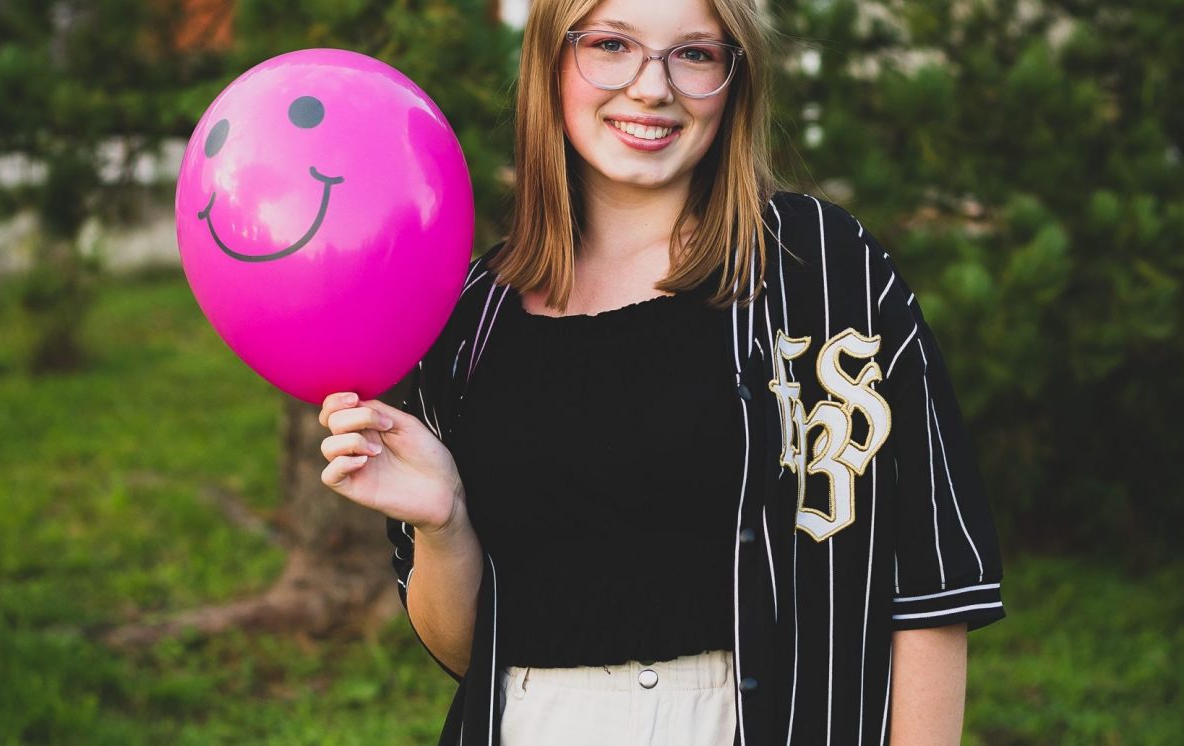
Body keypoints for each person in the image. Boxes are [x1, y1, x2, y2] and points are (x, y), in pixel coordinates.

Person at [317, 0, 1004, 743]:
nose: (652, 88)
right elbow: (467, 655)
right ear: (551, 59)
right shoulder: (470, 318)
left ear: (736, 78)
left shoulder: (820, 270)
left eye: (695, 54)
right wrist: (445, 520)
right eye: (611, 45)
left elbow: (933, 585)